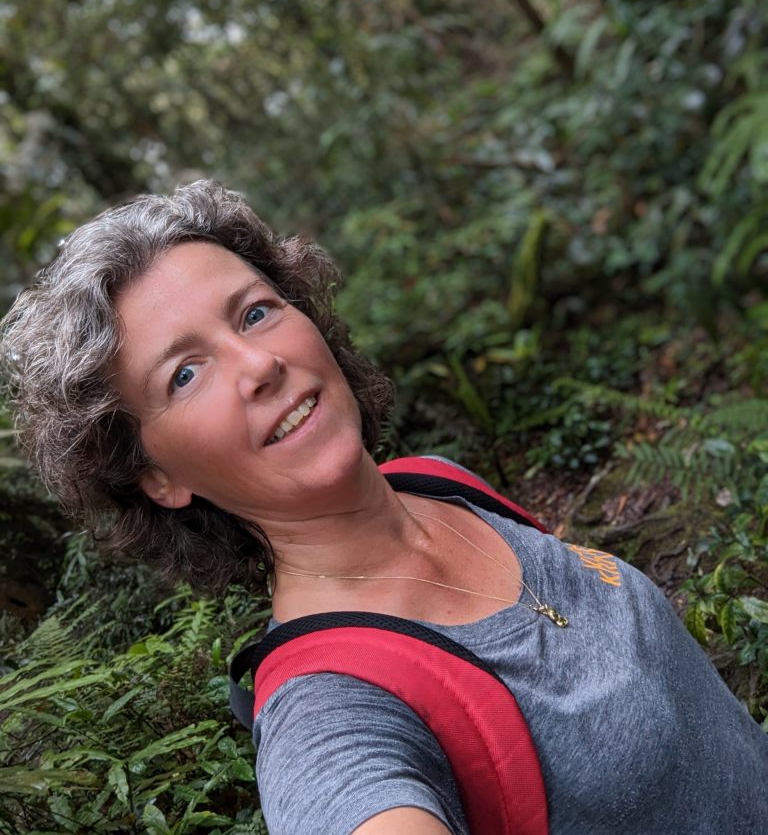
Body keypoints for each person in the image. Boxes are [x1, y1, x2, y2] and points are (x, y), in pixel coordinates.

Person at [1, 179, 766, 835]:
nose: (260, 363)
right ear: (157, 478)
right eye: (185, 374)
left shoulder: (438, 482)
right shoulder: (331, 717)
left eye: (256, 313)